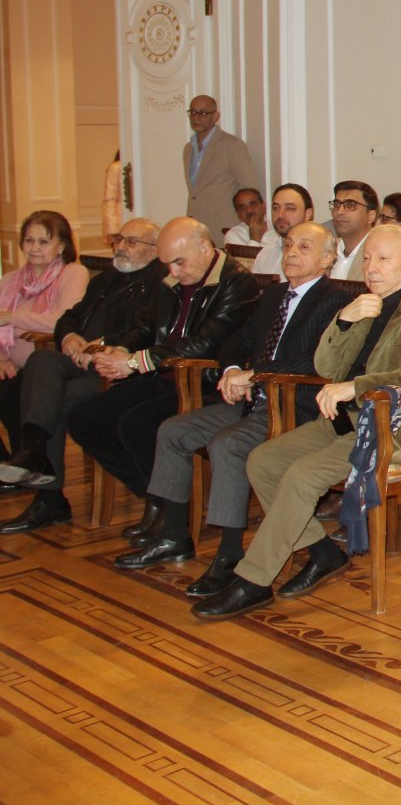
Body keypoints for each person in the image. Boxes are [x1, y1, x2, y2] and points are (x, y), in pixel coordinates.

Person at [191, 225, 401, 620]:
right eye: (367, 258)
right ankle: (321, 552)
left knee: (302, 475)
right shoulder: (367, 303)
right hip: (349, 422)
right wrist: (345, 321)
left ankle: (253, 581)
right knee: (262, 462)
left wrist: (356, 387)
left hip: (400, 428)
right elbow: (324, 366)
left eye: (383, 259)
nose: (372, 268)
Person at [115, 223, 351, 592]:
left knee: (228, 444)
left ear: (327, 259)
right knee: (174, 430)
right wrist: (232, 369)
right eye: (288, 244)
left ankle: (228, 554)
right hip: (251, 401)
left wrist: (256, 374)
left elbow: (319, 360)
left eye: (305, 247)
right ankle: (173, 534)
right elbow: (235, 339)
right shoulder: (274, 295)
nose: (291, 252)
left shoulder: (335, 301)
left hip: (293, 405)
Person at [66, 218, 261, 535]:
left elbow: (205, 344)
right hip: (161, 375)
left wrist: (136, 362)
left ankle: (168, 510)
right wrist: (117, 351)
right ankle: (158, 497)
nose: (173, 272)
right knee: (84, 418)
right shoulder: (171, 280)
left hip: (203, 383)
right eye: (167, 263)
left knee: (137, 424)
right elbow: (144, 328)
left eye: (179, 262)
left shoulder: (237, 283)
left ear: (204, 247)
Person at [0, 221, 165, 530]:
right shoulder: (107, 278)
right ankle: (35, 451)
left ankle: (49, 498)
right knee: (41, 362)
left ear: (153, 250)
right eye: (119, 240)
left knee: (56, 401)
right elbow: (70, 316)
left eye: (131, 242)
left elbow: (147, 331)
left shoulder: (160, 281)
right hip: (78, 359)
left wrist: (101, 347)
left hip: (116, 369)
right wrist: (69, 338)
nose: (120, 247)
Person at [0, 211, 90, 379]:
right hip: (8, 367)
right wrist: (1, 360)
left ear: (61, 246)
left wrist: (11, 318)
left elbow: (62, 321)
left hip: (47, 368)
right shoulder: (9, 280)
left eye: (43, 242)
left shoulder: (74, 273)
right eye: (29, 241)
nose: (34, 248)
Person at [182, 95, 260, 242]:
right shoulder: (188, 149)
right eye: (193, 112)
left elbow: (251, 189)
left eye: (203, 113)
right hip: (195, 228)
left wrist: (247, 227)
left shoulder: (232, 146)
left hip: (224, 227)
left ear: (215, 116)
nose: (196, 117)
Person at [251, 184, 319, 276]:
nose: (280, 215)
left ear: (307, 214)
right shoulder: (266, 253)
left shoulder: (318, 256)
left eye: (290, 208)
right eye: (276, 208)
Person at [327, 180, 380, 280]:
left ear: (371, 216)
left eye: (350, 205)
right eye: (336, 205)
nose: (340, 211)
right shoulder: (327, 251)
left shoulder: (380, 255)